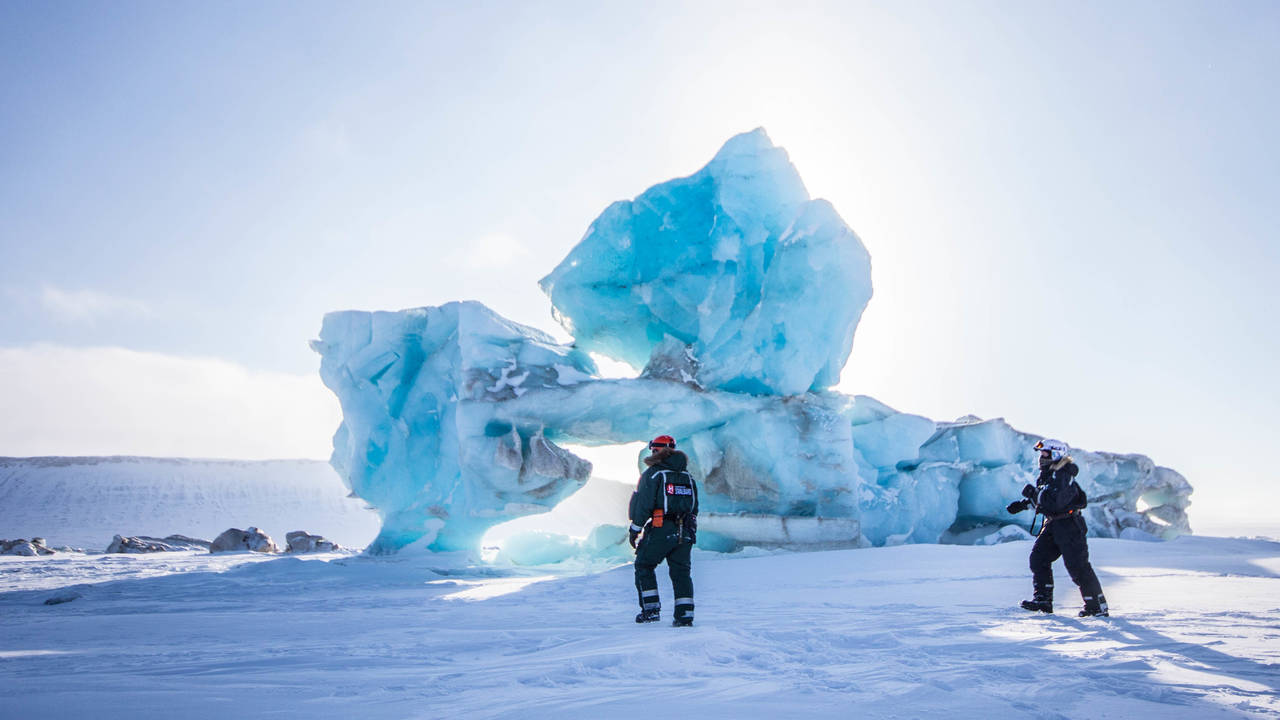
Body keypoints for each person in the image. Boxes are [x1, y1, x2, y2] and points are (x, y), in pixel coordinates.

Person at [1007, 439, 1109, 617]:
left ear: (1056, 453)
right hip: (1054, 524)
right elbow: (1046, 498)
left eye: (1045, 453)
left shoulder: (1063, 474)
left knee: (1077, 566)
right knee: (1038, 559)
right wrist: (1023, 504)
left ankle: (1097, 606)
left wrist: (1033, 493)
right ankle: (1043, 601)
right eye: (1041, 454)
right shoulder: (1050, 474)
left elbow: (1055, 501)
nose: (1041, 457)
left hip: (1069, 525)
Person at [629, 434, 699, 627]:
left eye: (655, 449)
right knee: (681, 573)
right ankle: (685, 615)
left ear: (661, 451)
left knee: (644, 565)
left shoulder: (654, 474)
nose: (653, 452)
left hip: (662, 529)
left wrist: (635, 530)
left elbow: (643, 505)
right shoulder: (688, 477)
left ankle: (650, 611)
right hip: (685, 531)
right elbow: (694, 508)